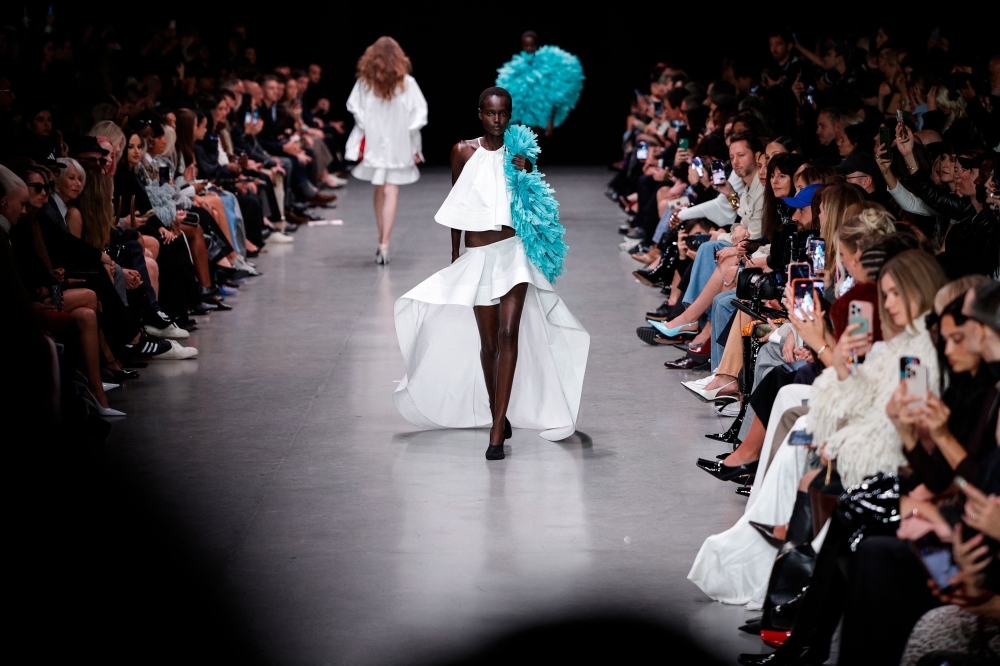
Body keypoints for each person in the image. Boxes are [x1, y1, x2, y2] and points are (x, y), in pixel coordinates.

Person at [392, 87, 589, 459]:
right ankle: (495, 404)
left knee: (508, 331)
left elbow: (535, 202)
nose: (498, 120)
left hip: (514, 252)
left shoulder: (520, 151)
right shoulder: (462, 151)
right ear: (479, 113)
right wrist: (455, 254)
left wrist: (527, 171)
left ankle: (497, 427)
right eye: (491, 113)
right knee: (489, 345)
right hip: (478, 254)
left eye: (504, 114)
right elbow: (456, 202)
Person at [345, 36, 428, 265]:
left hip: (375, 142)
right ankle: (385, 244)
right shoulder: (407, 83)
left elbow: (354, 108)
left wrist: (367, 128)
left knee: (380, 187)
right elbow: (420, 113)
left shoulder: (364, 84)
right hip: (398, 142)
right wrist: (406, 132)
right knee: (391, 188)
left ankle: (381, 240)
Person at [495, 31, 584, 137]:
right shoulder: (515, 68)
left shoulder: (545, 67)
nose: (529, 48)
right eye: (526, 45)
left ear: (536, 45)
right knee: (520, 144)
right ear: (522, 45)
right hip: (521, 117)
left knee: (535, 144)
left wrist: (550, 122)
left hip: (539, 117)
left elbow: (550, 97)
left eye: (531, 45)